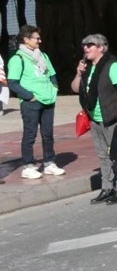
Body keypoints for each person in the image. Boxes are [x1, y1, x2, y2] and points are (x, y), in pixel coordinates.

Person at [71, 34, 117, 204]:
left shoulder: (114, 66)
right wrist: (79, 74)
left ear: (101, 47)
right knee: (102, 156)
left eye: (90, 45)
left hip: (112, 118)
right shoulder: (88, 67)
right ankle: (107, 187)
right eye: (84, 45)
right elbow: (75, 88)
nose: (85, 48)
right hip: (95, 119)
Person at [7, 25, 63, 179]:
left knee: (48, 134)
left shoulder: (43, 56)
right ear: (26, 40)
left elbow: (52, 74)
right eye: (36, 38)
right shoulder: (17, 59)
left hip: (48, 99)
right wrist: (29, 96)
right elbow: (13, 82)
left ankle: (49, 162)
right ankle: (28, 165)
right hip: (31, 102)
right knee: (30, 134)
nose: (40, 40)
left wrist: (54, 88)